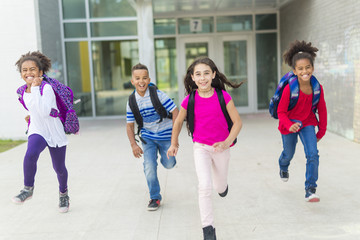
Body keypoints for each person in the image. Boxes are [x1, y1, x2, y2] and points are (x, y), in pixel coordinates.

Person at [167, 57, 242, 240]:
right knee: (205, 186)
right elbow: (177, 122)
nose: (202, 78)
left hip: (221, 148)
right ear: (192, 78)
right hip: (200, 147)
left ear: (213, 74)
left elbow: (238, 123)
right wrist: (174, 143)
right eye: (198, 74)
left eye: (206, 73)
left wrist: (226, 142)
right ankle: (208, 229)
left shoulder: (223, 96)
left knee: (219, 185)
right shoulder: (189, 100)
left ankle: (223, 187)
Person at [12, 51, 70, 213]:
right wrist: (30, 117)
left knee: (59, 168)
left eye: (32, 69)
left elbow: (45, 111)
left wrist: (36, 88)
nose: (28, 73)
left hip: (54, 131)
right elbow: (32, 108)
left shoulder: (47, 88)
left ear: (40, 72)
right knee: (30, 154)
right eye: (24, 70)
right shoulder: (21, 91)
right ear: (21, 73)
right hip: (37, 130)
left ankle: (63, 193)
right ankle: (27, 189)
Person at [277, 40, 327, 202]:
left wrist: (322, 130)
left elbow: (322, 110)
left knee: (313, 154)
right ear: (294, 71)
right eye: (300, 69)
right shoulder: (289, 88)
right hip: (289, 124)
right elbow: (281, 111)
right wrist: (289, 124)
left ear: (312, 68)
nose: (305, 71)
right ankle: (283, 165)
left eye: (308, 67)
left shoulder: (317, 87)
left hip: (308, 123)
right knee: (288, 154)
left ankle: (310, 189)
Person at [126, 63, 179, 211]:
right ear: (132, 81)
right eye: (137, 78)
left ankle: (164, 157)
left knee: (169, 164)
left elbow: (176, 112)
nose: (141, 81)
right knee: (149, 166)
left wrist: (174, 138)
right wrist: (133, 145)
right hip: (148, 138)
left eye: (144, 78)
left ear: (149, 80)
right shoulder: (131, 101)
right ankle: (155, 197)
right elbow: (129, 125)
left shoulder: (158, 95)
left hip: (166, 136)